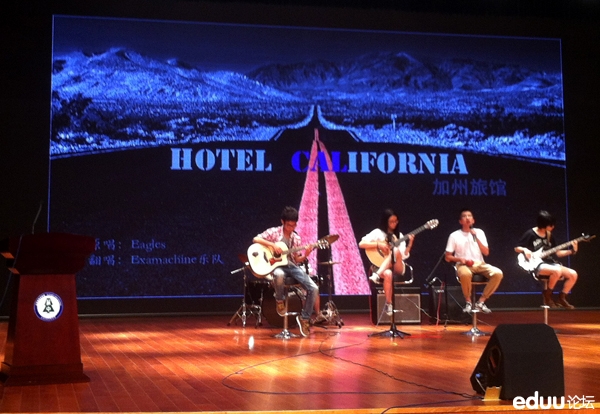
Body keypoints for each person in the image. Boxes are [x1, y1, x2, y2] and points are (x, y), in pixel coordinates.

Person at [253, 206, 320, 336]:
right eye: (289, 225)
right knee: (278, 274)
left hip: (290, 265)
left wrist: (306, 254)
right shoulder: (274, 232)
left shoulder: (296, 238)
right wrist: (273, 245)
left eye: (294, 225)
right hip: (276, 265)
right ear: (282, 222)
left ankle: (305, 318)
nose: (291, 228)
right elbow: (256, 239)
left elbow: (297, 259)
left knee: (314, 288)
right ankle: (279, 300)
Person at [514, 210, 578, 309]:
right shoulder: (530, 234)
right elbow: (517, 248)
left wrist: (572, 251)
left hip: (550, 263)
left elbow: (558, 253)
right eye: (550, 225)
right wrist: (525, 250)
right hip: (536, 264)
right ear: (543, 224)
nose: (553, 227)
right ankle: (548, 295)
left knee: (573, 274)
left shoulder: (549, 235)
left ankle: (562, 298)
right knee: (557, 271)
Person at [445, 209, 503, 313]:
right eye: (464, 216)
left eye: (469, 216)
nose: (467, 218)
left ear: (473, 220)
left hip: (480, 264)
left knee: (498, 273)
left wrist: (475, 236)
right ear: (460, 221)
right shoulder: (454, 235)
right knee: (465, 274)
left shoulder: (480, 232)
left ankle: (481, 302)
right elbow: (447, 257)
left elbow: (486, 252)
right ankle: (468, 301)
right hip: (463, 265)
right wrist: (459, 259)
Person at [359, 209, 415, 316]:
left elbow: (403, 256)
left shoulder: (399, 235)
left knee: (396, 250)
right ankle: (389, 304)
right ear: (385, 221)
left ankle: (377, 274)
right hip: (382, 265)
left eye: (396, 221)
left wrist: (410, 244)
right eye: (391, 221)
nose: (394, 224)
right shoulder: (377, 233)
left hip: (398, 266)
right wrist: (378, 245)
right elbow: (361, 244)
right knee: (388, 273)